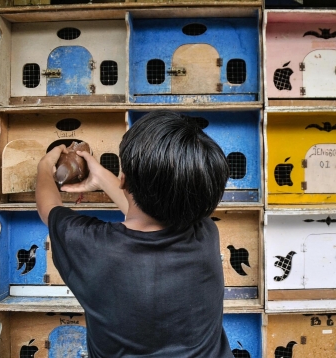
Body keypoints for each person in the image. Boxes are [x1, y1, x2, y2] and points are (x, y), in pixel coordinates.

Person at [36, 110, 232, 357]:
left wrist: (44, 166)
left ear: (124, 179)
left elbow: (49, 208)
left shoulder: (91, 246)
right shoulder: (204, 233)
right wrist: (104, 179)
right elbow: (148, 210)